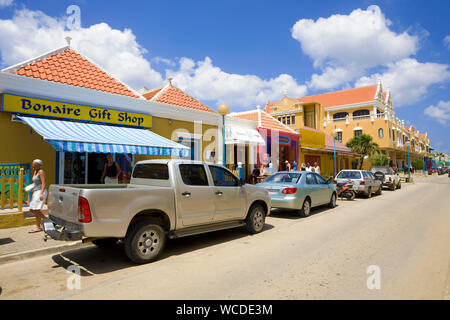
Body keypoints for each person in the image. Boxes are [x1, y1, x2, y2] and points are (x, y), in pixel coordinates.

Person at [28, 159, 48, 233]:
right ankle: (38, 227)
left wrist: (42, 193)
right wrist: (32, 189)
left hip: (40, 192)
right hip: (36, 191)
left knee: (35, 210)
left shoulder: (41, 172)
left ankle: (47, 219)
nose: (33, 166)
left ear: (39, 165)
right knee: (33, 209)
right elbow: (36, 183)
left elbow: (43, 183)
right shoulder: (35, 171)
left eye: (35, 165)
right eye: (33, 164)